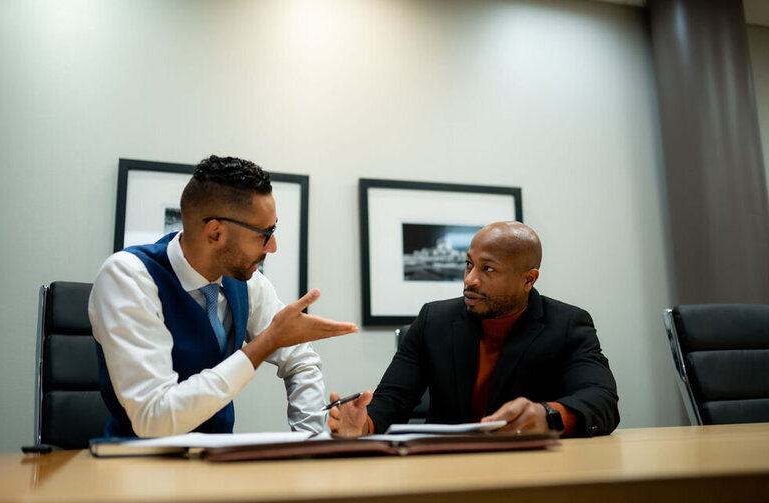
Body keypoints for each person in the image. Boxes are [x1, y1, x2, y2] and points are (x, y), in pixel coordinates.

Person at [89, 155, 358, 438]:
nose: (273, 247)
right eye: (264, 234)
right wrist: (266, 343)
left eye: (274, 229)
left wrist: (311, 441)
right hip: (136, 468)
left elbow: (301, 360)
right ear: (215, 233)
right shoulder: (128, 277)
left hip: (219, 465)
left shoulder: (248, 282)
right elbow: (153, 419)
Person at [328, 221, 618, 438]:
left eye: (487, 269)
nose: (470, 280)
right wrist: (363, 425)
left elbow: (601, 400)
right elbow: (393, 399)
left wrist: (548, 416)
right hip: (447, 469)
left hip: (534, 468)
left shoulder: (567, 324)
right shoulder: (434, 319)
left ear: (528, 279)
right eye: (469, 265)